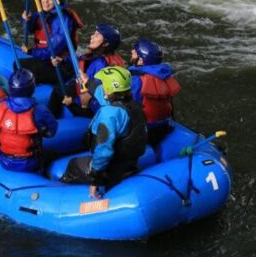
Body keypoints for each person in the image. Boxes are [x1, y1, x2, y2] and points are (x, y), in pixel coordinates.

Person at [61, 66, 147, 198]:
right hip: (130, 163)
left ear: (109, 89)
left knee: (73, 165)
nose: (102, 87)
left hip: (111, 168)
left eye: (104, 85)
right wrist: (87, 82)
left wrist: (95, 180)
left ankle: (64, 194)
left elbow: (104, 150)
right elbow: (104, 96)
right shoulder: (134, 105)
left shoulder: (109, 114)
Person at [0, 68, 59, 173]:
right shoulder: (39, 110)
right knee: (54, 154)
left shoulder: (1, 105)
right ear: (32, 88)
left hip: (4, 159)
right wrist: (40, 131)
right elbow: (51, 132)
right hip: (29, 163)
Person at [19, 0, 84, 86]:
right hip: (46, 59)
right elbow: (29, 28)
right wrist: (26, 20)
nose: (46, 1)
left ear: (58, 1)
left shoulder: (62, 20)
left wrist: (30, 51)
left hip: (60, 66)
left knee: (18, 65)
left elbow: (52, 50)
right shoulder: (44, 13)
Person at [62, 23, 125, 116]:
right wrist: (63, 60)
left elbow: (94, 94)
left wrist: (73, 100)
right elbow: (81, 60)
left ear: (106, 43)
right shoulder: (99, 55)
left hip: (90, 107)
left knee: (58, 92)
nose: (92, 36)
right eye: (94, 33)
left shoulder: (102, 65)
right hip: (82, 90)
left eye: (97, 35)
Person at [129, 39, 181, 147]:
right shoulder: (165, 76)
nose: (131, 52)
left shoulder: (136, 79)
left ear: (141, 61)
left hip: (146, 130)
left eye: (134, 53)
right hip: (164, 125)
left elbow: (128, 106)